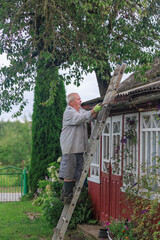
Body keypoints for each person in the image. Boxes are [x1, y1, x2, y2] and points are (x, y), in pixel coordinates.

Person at [59, 92, 102, 204]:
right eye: (78, 99)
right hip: (70, 147)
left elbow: (88, 117)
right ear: (71, 102)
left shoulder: (80, 110)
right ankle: (67, 196)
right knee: (69, 171)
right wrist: (93, 111)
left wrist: (95, 113)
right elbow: (80, 119)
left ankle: (65, 194)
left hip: (79, 147)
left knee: (77, 172)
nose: (80, 101)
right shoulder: (69, 112)